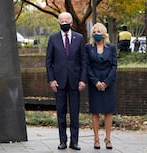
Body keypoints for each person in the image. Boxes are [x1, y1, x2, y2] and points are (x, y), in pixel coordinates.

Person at [46, 12, 87, 151]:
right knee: (61, 113)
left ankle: (74, 142)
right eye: (62, 20)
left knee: (75, 114)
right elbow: (48, 62)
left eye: (67, 20)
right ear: (58, 22)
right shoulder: (53, 38)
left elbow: (84, 61)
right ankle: (62, 141)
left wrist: (83, 79)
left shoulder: (79, 38)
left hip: (75, 82)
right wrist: (51, 80)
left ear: (71, 22)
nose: (64, 22)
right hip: (59, 83)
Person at [85, 23, 117, 150]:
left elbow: (114, 65)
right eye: (95, 31)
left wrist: (107, 82)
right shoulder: (88, 47)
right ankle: (96, 139)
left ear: (104, 33)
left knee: (108, 111)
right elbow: (87, 66)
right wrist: (96, 82)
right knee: (95, 111)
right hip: (94, 83)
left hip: (108, 82)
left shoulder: (111, 47)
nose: (97, 33)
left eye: (99, 31)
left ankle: (108, 139)